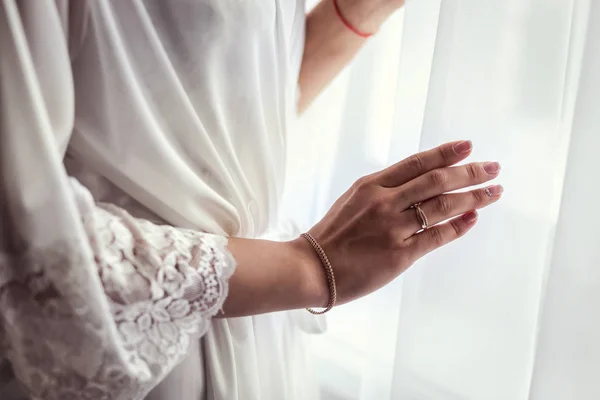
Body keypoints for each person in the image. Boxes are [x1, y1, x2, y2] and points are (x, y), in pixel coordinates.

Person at [0, 0, 503, 399]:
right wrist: (305, 266)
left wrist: (354, 14)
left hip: (259, 345)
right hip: (137, 362)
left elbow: (208, 123)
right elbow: (22, 233)